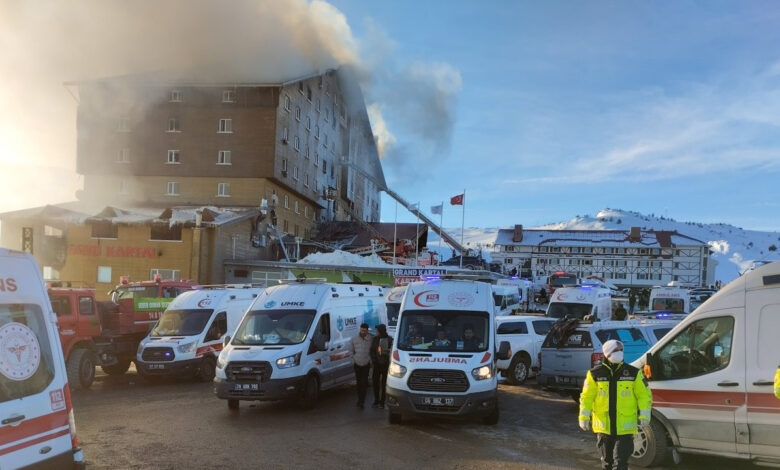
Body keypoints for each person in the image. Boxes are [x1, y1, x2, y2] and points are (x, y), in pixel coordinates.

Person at [579, 339, 652, 470]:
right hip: (604, 429)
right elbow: (586, 397)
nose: (619, 353)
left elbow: (644, 396)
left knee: (620, 463)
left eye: (621, 350)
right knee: (607, 463)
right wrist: (584, 417)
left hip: (625, 429)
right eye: (615, 350)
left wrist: (645, 415)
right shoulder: (595, 374)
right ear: (607, 354)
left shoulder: (633, 373)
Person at [349, 323, 373, 409]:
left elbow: (373, 350)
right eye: (362, 330)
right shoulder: (354, 338)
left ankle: (362, 401)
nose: (363, 332)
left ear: (367, 330)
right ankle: (359, 400)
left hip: (366, 364)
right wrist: (353, 359)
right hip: (357, 364)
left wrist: (370, 360)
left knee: (364, 383)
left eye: (365, 330)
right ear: (360, 329)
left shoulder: (371, 338)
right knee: (359, 383)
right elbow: (350, 351)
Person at [370, 324, 392, 408]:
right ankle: (376, 400)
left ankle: (382, 401)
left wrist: (388, 354)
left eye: (377, 330)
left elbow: (392, 351)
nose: (376, 332)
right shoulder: (375, 339)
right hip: (377, 364)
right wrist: (374, 360)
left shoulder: (390, 339)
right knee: (375, 382)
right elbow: (372, 351)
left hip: (386, 365)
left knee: (384, 383)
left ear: (381, 330)